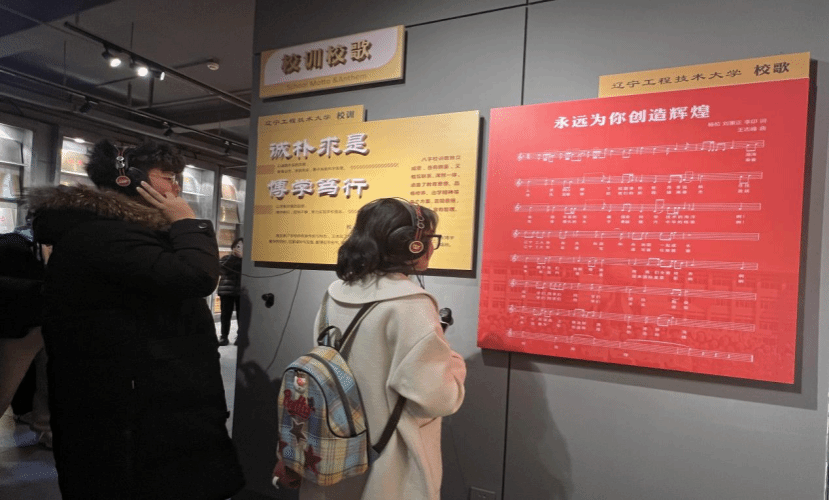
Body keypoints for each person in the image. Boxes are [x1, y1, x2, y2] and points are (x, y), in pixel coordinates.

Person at [26, 139, 245, 499]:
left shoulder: (121, 230)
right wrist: (187, 222)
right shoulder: (106, 233)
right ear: (130, 178)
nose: (176, 187)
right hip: (131, 408)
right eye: (168, 177)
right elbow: (196, 277)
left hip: (144, 397)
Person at [293, 197, 467, 500]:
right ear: (410, 245)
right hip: (387, 461)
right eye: (429, 239)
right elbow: (437, 399)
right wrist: (453, 362)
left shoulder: (335, 293)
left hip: (333, 452)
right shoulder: (412, 304)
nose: (430, 247)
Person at [0, 223, 51, 448]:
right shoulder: (14, 246)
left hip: (33, 320)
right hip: (22, 321)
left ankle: (42, 425)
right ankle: (43, 426)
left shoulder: (17, 243)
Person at [217, 237, 243, 346]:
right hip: (227, 290)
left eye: (242, 246)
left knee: (241, 315)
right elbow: (221, 269)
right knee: (225, 315)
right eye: (238, 246)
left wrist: (242, 258)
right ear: (233, 247)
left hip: (241, 291)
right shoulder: (226, 258)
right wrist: (233, 257)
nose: (239, 248)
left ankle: (240, 336)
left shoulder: (246, 261)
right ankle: (224, 337)